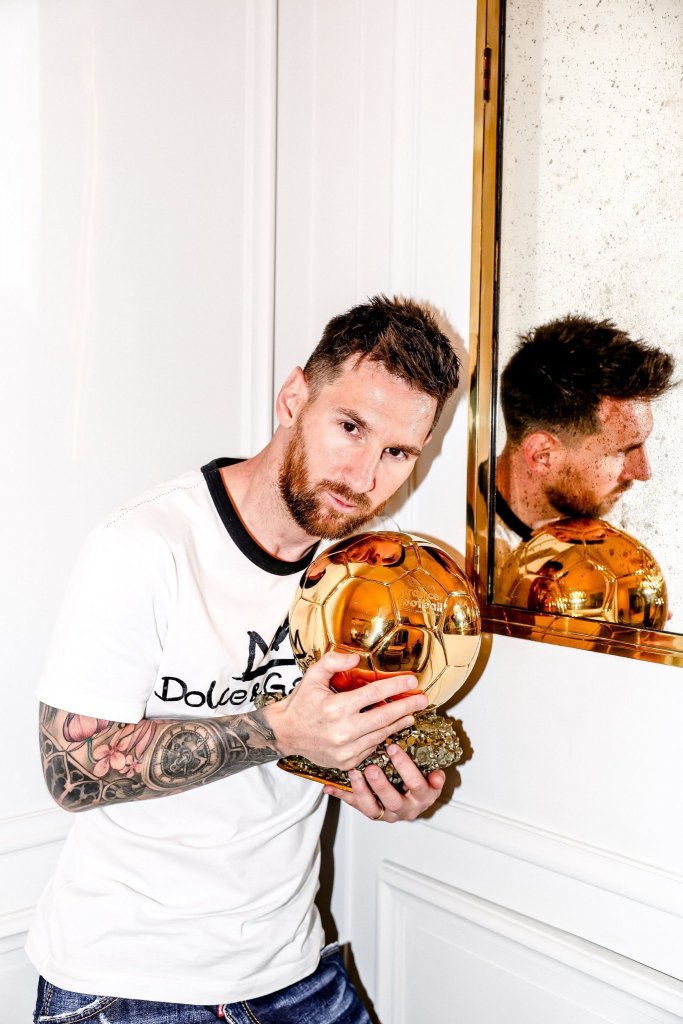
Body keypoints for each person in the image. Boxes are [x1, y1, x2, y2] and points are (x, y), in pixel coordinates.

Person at [28, 295, 461, 1024]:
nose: (364, 477)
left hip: (293, 970)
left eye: (397, 454)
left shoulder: (366, 575)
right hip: (127, 986)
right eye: (350, 427)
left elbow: (320, 746)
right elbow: (71, 772)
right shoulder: (146, 546)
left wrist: (389, 784)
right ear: (294, 397)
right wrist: (279, 730)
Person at [488, 314, 674, 567]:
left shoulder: (618, 535)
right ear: (542, 456)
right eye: (624, 450)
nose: (643, 472)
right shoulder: (460, 550)